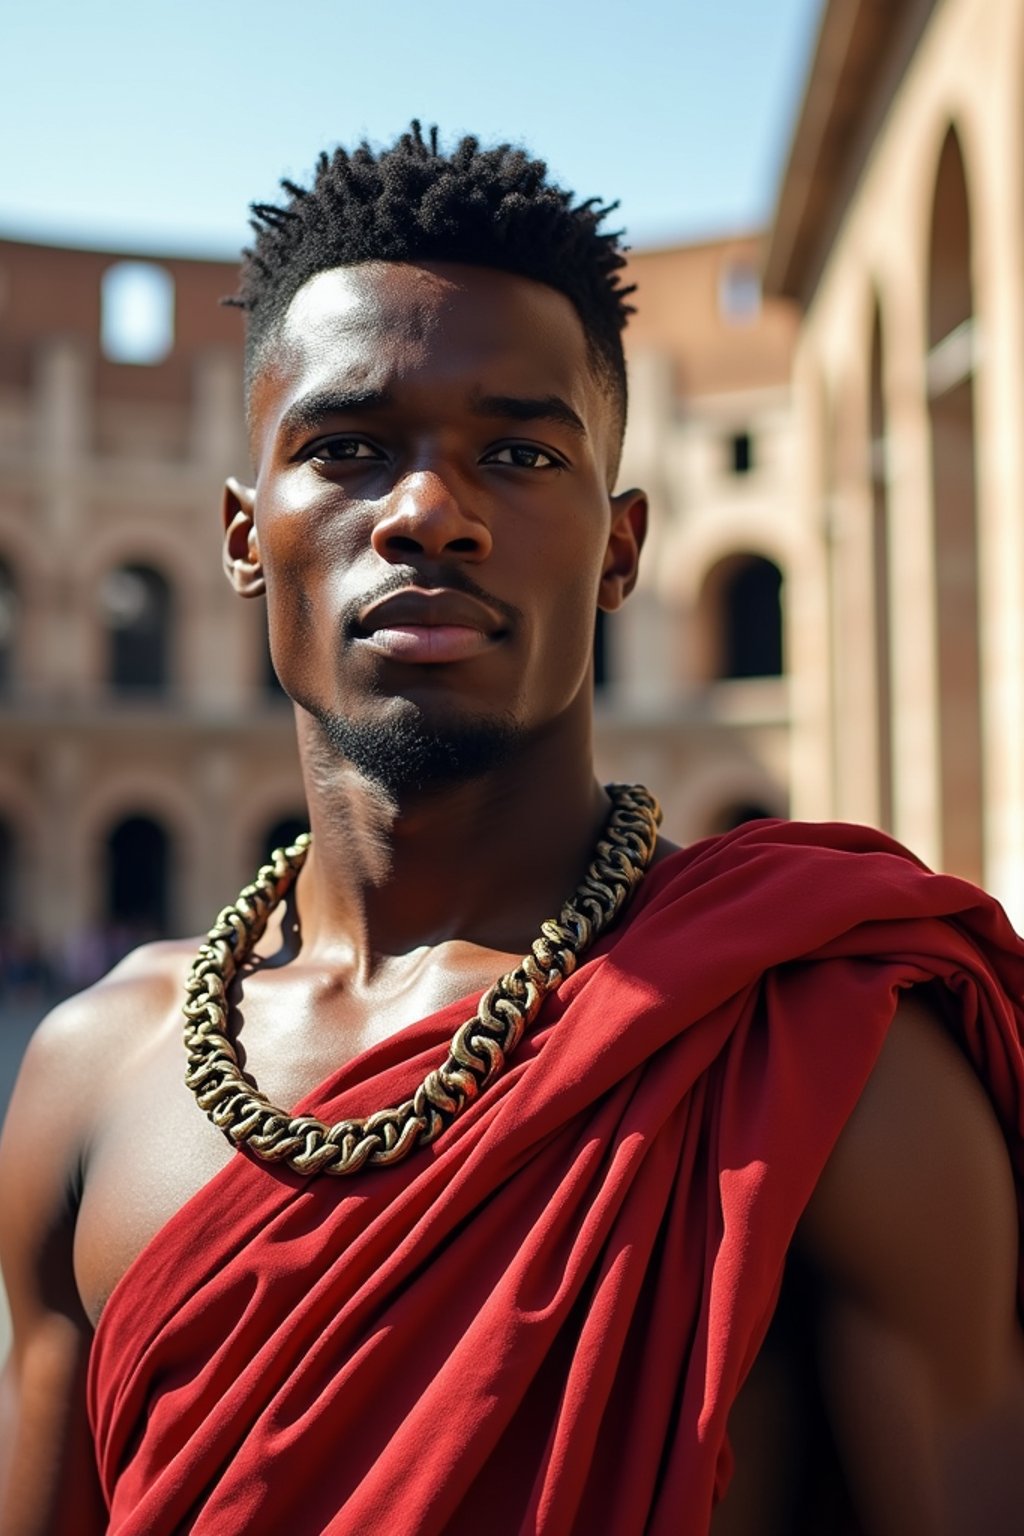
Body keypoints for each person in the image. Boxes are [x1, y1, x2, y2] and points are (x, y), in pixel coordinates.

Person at [1, 123, 1023, 1536]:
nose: (429, 511)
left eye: (522, 453)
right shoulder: (90, 1079)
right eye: (351, 448)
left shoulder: (828, 1050)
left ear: (621, 548)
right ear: (244, 538)